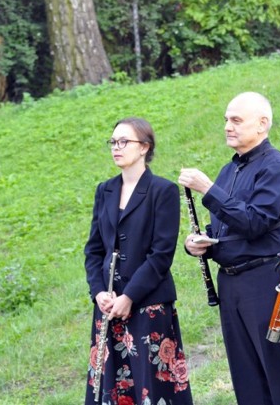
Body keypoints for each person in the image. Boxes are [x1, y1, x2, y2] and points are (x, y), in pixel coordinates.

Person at [179, 92, 280, 405]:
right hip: (231, 284)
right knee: (246, 379)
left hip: (265, 281)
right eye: (226, 120)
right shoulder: (228, 170)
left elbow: (255, 222)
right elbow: (224, 227)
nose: (227, 127)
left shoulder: (277, 167)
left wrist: (207, 189)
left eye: (236, 120)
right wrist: (199, 243)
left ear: (262, 125)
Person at [83, 117, 193, 405]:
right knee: (111, 389)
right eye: (113, 142)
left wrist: (129, 296)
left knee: (153, 388)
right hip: (108, 306)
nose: (116, 148)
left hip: (149, 305)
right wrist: (98, 294)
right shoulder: (104, 190)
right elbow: (94, 251)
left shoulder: (163, 191)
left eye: (124, 142)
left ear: (144, 147)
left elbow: (161, 255)